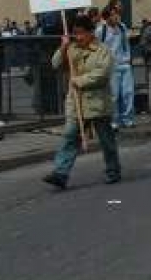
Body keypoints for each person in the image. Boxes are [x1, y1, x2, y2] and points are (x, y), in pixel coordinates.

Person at [43, 15, 121, 190]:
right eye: (74, 33)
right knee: (70, 136)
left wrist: (80, 80)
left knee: (106, 140)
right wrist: (63, 48)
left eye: (81, 33)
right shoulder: (71, 49)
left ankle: (113, 170)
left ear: (90, 32)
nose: (78, 37)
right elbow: (55, 64)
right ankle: (61, 173)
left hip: (97, 102)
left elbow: (102, 74)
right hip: (76, 101)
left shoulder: (102, 50)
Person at [95, 7, 135, 128]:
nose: (116, 17)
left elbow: (127, 42)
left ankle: (127, 119)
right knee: (114, 94)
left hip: (125, 64)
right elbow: (97, 48)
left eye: (117, 14)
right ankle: (114, 121)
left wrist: (128, 58)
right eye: (113, 15)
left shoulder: (122, 27)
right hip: (111, 66)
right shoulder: (101, 30)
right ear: (106, 18)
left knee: (128, 93)